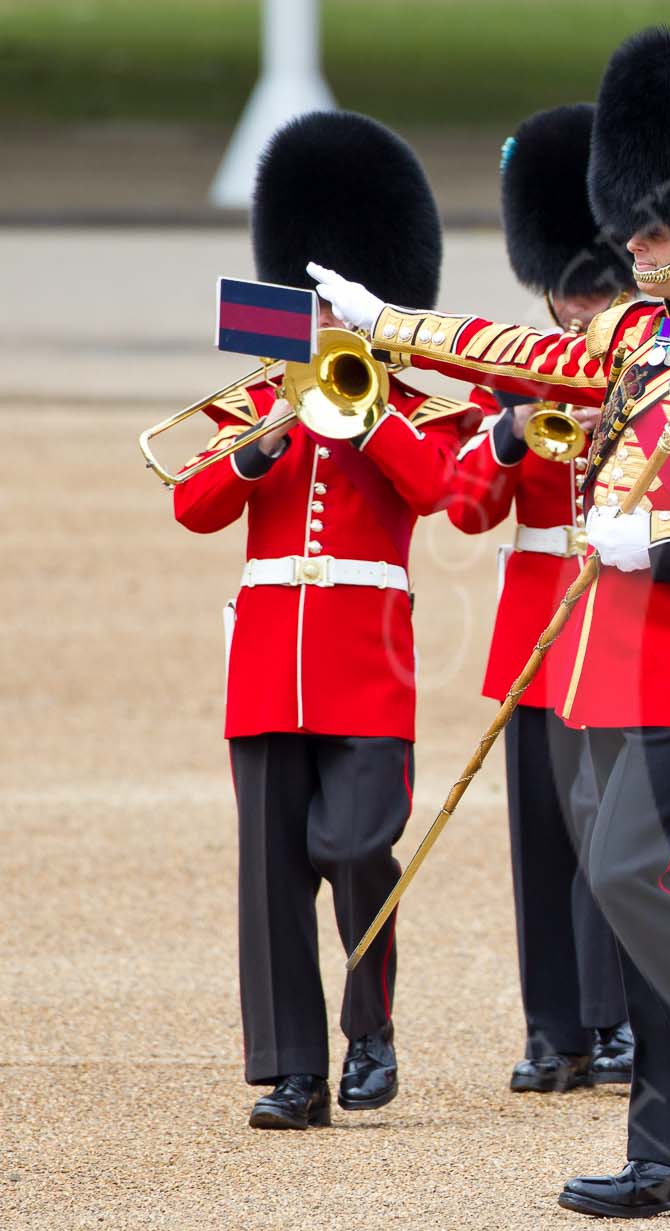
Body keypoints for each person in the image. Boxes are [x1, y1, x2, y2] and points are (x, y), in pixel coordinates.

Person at [314, 27, 670, 1215]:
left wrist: (659, 542)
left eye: (652, 227)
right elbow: (513, 347)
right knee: (625, 889)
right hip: (612, 660)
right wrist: (382, 318)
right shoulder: (641, 337)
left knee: (625, 868)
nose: (634, 243)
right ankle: (664, 1151)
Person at [172, 112, 476, 1129]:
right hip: (266, 659)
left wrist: (366, 404)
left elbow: (437, 489)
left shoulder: (410, 403)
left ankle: (371, 1029)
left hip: (366, 660)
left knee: (357, 848)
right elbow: (194, 503)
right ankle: (293, 1072)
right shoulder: (254, 395)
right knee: (270, 880)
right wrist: (265, 438)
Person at [444, 103, 634, 1095]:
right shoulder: (509, 369)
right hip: (534, 635)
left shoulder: (654, 364)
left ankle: (614, 1022)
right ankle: (552, 1029)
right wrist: (510, 433)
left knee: (615, 833)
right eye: (567, 297)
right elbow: (465, 507)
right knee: (542, 841)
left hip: (622, 624)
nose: (578, 315)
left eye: (594, 295)